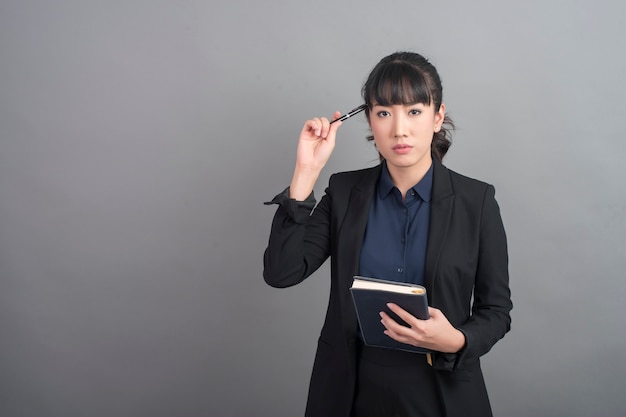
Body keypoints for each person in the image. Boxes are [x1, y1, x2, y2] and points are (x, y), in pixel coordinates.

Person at [263, 51, 512, 417]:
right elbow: (281, 273)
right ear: (369, 120)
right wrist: (306, 172)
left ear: (438, 116)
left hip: (442, 393)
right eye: (384, 113)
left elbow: (496, 311)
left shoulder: (477, 201)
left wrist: (456, 339)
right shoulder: (345, 193)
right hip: (352, 393)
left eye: (414, 111)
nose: (399, 129)